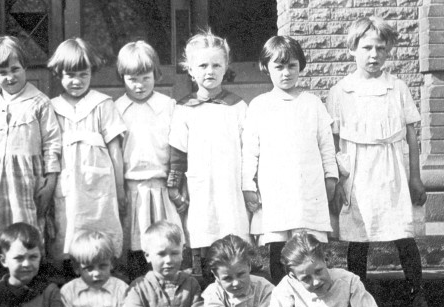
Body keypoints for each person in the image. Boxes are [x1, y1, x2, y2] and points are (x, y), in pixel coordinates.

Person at [327, 16, 431, 307]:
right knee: (359, 238)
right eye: (367, 48)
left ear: (388, 51)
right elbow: (332, 142)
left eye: (380, 48)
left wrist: (415, 177)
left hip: (391, 169)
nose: (374, 55)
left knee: (403, 234)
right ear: (352, 49)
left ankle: (417, 295)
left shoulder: (396, 88)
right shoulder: (341, 91)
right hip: (357, 172)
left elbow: (411, 137)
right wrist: (337, 181)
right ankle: (357, 300)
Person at [242, 36, 337, 284]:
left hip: (307, 188)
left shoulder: (312, 104)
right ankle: (281, 296)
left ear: (300, 66)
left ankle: (310, 293)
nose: (286, 73)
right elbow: (250, 150)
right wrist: (248, 185)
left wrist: (331, 176)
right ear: (266, 67)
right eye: (279, 67)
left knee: (306, 247)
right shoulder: (259, 105)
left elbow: (326, 145)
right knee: (279, 248)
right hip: (275, 189)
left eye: (291, 66)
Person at [0, 36, 62, 269]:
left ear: (25, 67)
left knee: (29, 236)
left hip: (27, 182)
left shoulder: (40, 102)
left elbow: (52, 144)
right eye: (2, 72)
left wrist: (50, 181)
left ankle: (34, 284)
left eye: (15, 69)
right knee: (1, 239)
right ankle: (4, 284)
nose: (10, 77)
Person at [168, 31, 250, 279]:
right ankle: (205, 286)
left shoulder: (237, 107)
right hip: (200, 185)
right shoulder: (184, 109)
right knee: (203, 229)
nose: (210, 71)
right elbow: (177, 153)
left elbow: (249, 149)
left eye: (216, 65)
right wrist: (174, 187)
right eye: (202, 66)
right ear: (190, 70)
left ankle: (235, 283)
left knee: (231, 229)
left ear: (226, 68)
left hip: (230, 184)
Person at [48, 38, 126, 273]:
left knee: (100, 227)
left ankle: (104, 275)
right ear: (58, 74)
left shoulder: (102, 104)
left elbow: (115, 149)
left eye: (83, 74)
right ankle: (71, 279)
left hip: (99, 183)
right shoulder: (52, 107)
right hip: (67, 182)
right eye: (70, 75)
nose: (77, 81)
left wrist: (120, 187)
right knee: (68, 226)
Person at [114, 40, 180, 281]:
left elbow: (176, 147)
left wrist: (175, 183)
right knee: (136, 244)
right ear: (122, 77)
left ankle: (166, 289)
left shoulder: (167, 105)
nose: (139, 85)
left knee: (164, 243)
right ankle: (139, 289)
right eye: (132, 79)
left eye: (145, 78)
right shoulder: (117, 108)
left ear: (156, 74)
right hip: (132, 187)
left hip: (161, 186)